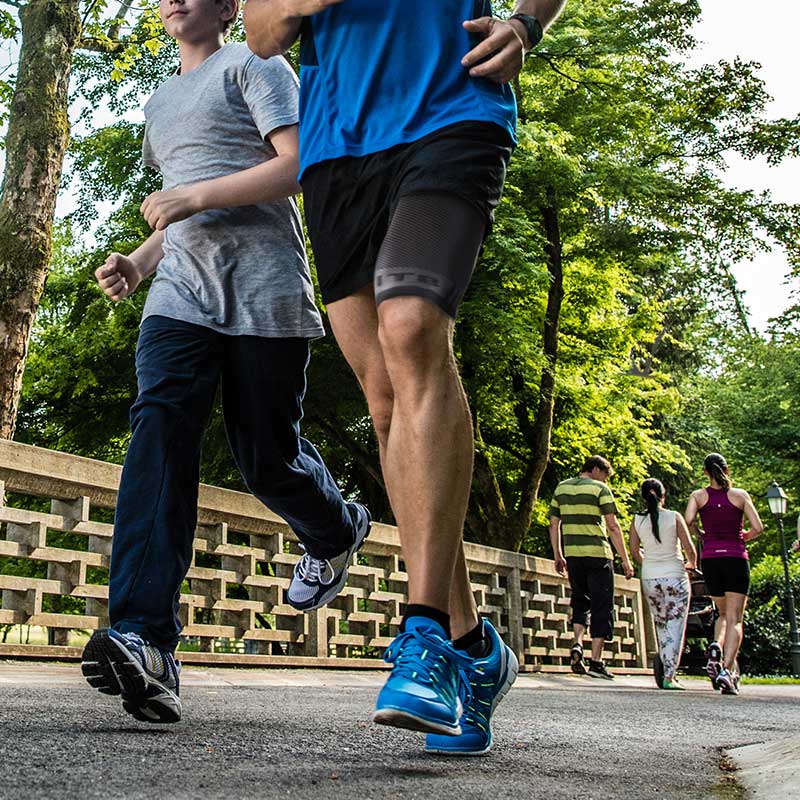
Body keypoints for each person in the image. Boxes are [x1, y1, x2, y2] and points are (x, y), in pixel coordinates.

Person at [243, 0, 567, 755]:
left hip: (453, 111)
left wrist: (526, 23)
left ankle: (422, 634)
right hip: (337, 149)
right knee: (385, 399)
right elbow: (262, 33)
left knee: (412, 323)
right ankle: (474, 650)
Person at [80, 0, 371, 724]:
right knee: (159, 435)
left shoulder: (254, 63)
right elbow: (180, 213)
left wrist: (195, 195)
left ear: (228, 7)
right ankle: (145, 638)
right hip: (179, 300)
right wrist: (141, 264)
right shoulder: (160, 102)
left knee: (266, 460)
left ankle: (335, 527)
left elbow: (299, 164)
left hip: (265, 293)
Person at [549, 455, 634, 681]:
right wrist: (625, 559)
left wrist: (558, 554)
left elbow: (554, 523)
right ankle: (596, 660)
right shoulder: (599, 489)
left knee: (580, 600)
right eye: (605, 475)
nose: (606, 480)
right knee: (602, 606)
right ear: (596, 469)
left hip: (573, 555)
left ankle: (577, 644)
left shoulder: (562, 487)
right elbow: (613, 526)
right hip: (598, 554)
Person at [685, 453, 763, 696]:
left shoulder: (698, 496)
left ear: (706, 472)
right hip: (736, 557)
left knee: (722, 613)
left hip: (711, 558)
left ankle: (716, 645)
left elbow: (688, 519)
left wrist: (701, 533)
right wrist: (743, 537)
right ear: (726, 470)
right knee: (736, 618)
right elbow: (758, 527)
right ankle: (726, 670)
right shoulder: (740, 496)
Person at [629, 478, 698, 690]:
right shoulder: (674, 517)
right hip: (675, 575)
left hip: (650, 577)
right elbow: (690, 549)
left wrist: (648, 563)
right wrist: (691, 564)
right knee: (676, 625)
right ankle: (669, 674)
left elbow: (634, 550)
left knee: (661, 624)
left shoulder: (637, 520)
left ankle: (667, 671)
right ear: (663, 495)